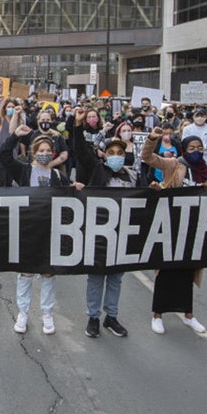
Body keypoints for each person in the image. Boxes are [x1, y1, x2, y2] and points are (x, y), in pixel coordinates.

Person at [0, 125, 79, 335]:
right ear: (34, 152)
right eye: (40, 151)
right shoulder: (24, 171)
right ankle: (23, 313)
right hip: (27, 230)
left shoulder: (58, 176)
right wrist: (15, 136)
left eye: (48, 151)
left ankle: (46, 314)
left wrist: (77, 187)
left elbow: (70, 195)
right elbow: (4, 155)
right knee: (25, 274)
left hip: (50, 232)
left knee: (47, 274)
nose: (44, 154)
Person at [141, 128, 207, 336]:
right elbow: (147, 157)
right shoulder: (174, 165)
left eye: (199, 148)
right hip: (171, 225)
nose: (196, 151)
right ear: (184, 149)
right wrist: (152, 139)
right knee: (166, 271)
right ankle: (157, 315)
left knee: (187, 271)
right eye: (191, 148)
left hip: (193, 227)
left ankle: (189, 315)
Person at [71, 132, 136, 338]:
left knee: (116, 279)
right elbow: (80, 150)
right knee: (96, 278)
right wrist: (78, 125)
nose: (116, 156)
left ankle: (112, 316)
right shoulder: (97, 170)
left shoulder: (132, 176)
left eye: (119, 153)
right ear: (104, 155)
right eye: (111, 152)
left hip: (121, 236)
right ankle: (93, 317)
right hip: (98, 236)